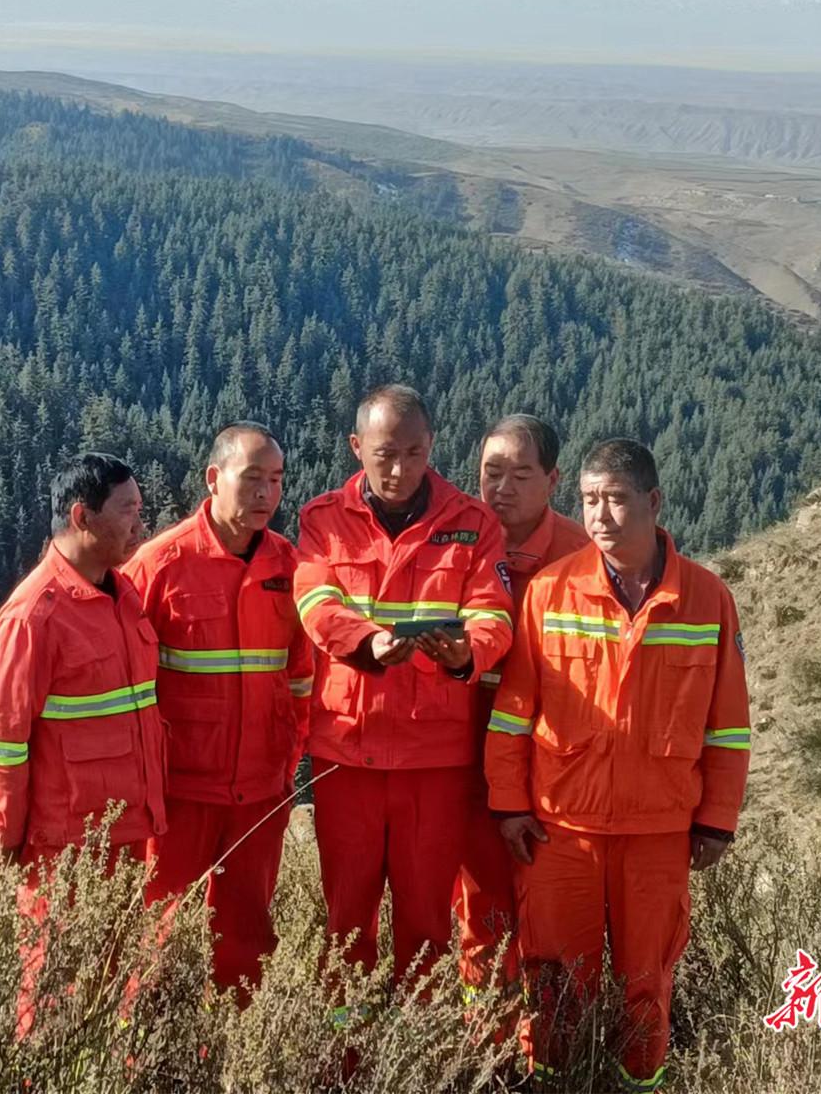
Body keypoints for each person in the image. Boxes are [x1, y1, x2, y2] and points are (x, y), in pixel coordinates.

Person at [485, 438, 750, 1091]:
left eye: (617, 499)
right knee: (553, 984)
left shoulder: (707, 598)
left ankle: (640, 1083)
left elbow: (728, 725)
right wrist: (509, 804)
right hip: (561, 830)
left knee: (646, 986)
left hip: (658, 832)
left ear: (653, 501)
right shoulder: (550, 592)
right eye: (589, 500)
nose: (600, 516)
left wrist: (717, 819)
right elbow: (513, 712)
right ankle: (553, 1084)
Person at [293, 385, 514, 1024]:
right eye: (385, 454)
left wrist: (467, 652)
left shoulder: (473, 522)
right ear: (356, 447)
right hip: (348, 755)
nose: (399, 469)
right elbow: (315, 604)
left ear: (432, 446)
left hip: (433, 758)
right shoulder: (322, 520)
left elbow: (494, 614)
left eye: (414, 453)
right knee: (346, 921)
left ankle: (417, 1051)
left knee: (426, 921)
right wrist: (368, 643)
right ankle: (347, 1055)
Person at [0, 453, 166, 1039]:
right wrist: (6, 830)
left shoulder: (123, 595)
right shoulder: (33, 615)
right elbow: (3, 737)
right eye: (128, 511)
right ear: (82, 517)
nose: (140, 524)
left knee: (123, 988)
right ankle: (43, 1075)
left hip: (129, 831)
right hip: (65, 845)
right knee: (56, 988)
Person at [123, 422, 313, 998]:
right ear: (213, 478)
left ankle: (234, 1044)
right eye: (252, 478)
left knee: (246, 939)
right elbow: (125, 683)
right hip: (178, 796)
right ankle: (147, 1044)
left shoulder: (290, 568)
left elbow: (302, 678)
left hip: (259, 793)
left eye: (276, 480)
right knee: (157, 936)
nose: (265, 494)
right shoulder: (160, 565)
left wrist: (285, 766)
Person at [455, 414, 586, 996]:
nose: (502, 488)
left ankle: (549, 1033)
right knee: (480, 907)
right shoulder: (455, 541)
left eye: (521, 475)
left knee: (549, 913)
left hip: (553, 762)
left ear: (553, 479)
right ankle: (484, 1029)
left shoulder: (581, 556)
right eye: (492, 472)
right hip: (462, 753)